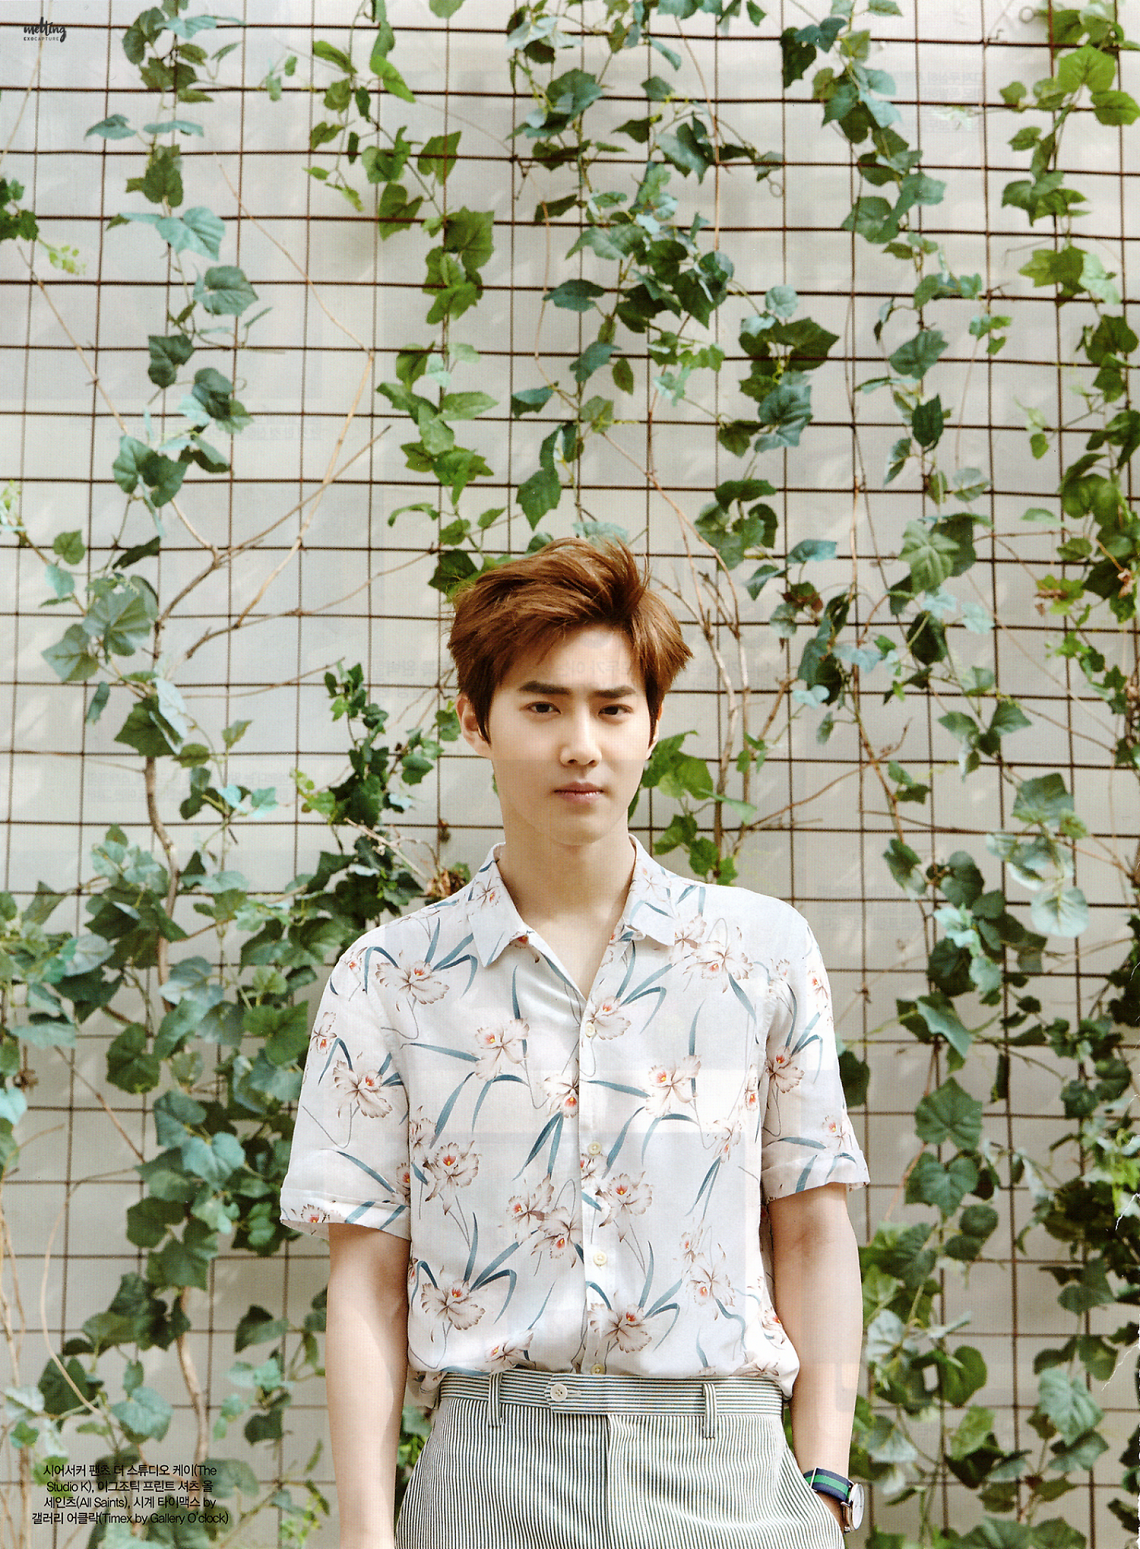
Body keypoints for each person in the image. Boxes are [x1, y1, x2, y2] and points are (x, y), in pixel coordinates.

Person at [280, 537, 869, 1549]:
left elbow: (813, 1227)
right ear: (476, 720)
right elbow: (367, 1276)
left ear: (653, 723)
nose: (581, 745)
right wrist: (367, 1537)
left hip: (729, 1479)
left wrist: (823, 1481)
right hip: (488, 1483)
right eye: (543, 706)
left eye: (612, 708)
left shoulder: (761, 954)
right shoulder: (390, 979)